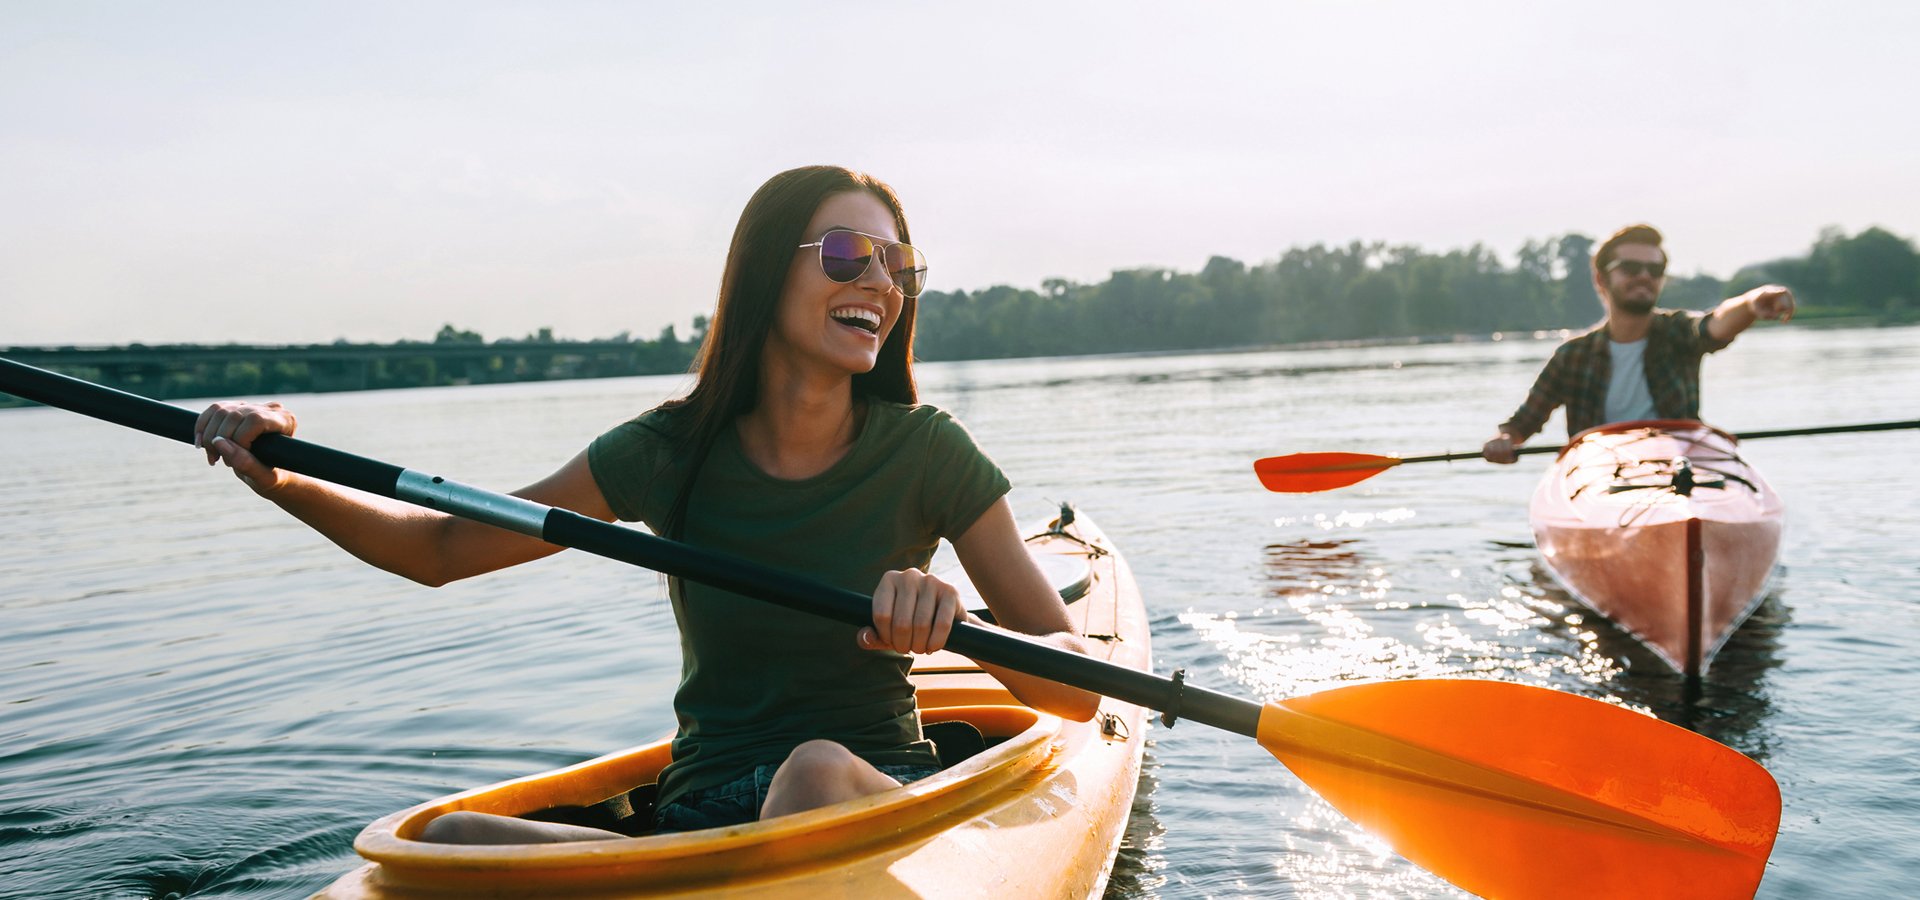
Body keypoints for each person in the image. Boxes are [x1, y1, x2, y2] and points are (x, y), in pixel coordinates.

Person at [191, 165, 1100, 843]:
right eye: (847, 254)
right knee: (443, 838)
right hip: (698, 814)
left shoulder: (928, 451)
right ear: (762, 272)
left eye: (900, 264)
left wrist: (951, 625)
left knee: (812, 772)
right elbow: (439, 548)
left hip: (864, 793)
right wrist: (282, 475)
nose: (881, 282)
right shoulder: (668, 450)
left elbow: (1071, 688)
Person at [1482, 224, 1796, 462]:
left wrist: (1752, 303)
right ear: (1601, 280)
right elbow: (1521, 425)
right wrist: (1504, 440)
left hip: (1679, 467)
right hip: (1599, 474)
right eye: (1631, 268)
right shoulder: (1572, 356)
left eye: (1655, 269)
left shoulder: (1678, 332)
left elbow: (1716, 324)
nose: (1644, 276)